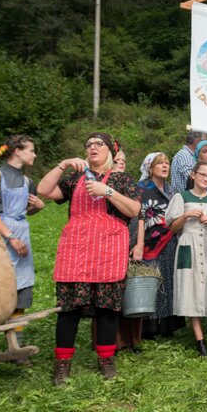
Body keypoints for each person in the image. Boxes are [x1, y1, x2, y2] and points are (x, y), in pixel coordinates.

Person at [37, 133, 141, 385]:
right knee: (69, 309)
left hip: (108, 248)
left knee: (106, 309)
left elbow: (134, 210)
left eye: (99, 144)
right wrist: (62, 165)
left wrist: (108, 191)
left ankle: (106, 360)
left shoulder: (122, 179)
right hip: (77, 248)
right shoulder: (75, 179)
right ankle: (62, 365)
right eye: (88, 145)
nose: (92, 148)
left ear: (111, 151)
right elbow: (43, 190)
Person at [0, 134, 45, 360]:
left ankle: (16, 347)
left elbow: (24, 211)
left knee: (20, 289)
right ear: (18, 151)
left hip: (20, 237)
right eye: (31, 150)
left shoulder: (27, 182)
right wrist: (11, 237)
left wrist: (39, 207)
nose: (34, 155)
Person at [167, 161, 207, 356]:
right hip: (190, 246)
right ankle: (200, 341)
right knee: (191, 291)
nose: (205, 178)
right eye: (202, 174)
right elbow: (172, 228)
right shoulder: (181, 197)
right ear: (193, 175)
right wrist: (186, 215)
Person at [126, 152, 177, 350]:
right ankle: (148, 326)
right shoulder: (140, 189)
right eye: (160, 163)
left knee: (167, 279)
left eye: (167, 163)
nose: (165, 166)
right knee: (149, 280)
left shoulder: (172, 190)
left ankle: (167, 324)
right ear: (150, 167)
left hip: (169, 240)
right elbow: (138, 215)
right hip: (146, 240)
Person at [171, 130, 204, 195]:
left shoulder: (191, 156)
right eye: (204, 142)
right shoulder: (184, 155)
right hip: (183, 200)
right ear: (198, 141)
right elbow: (192, 178)